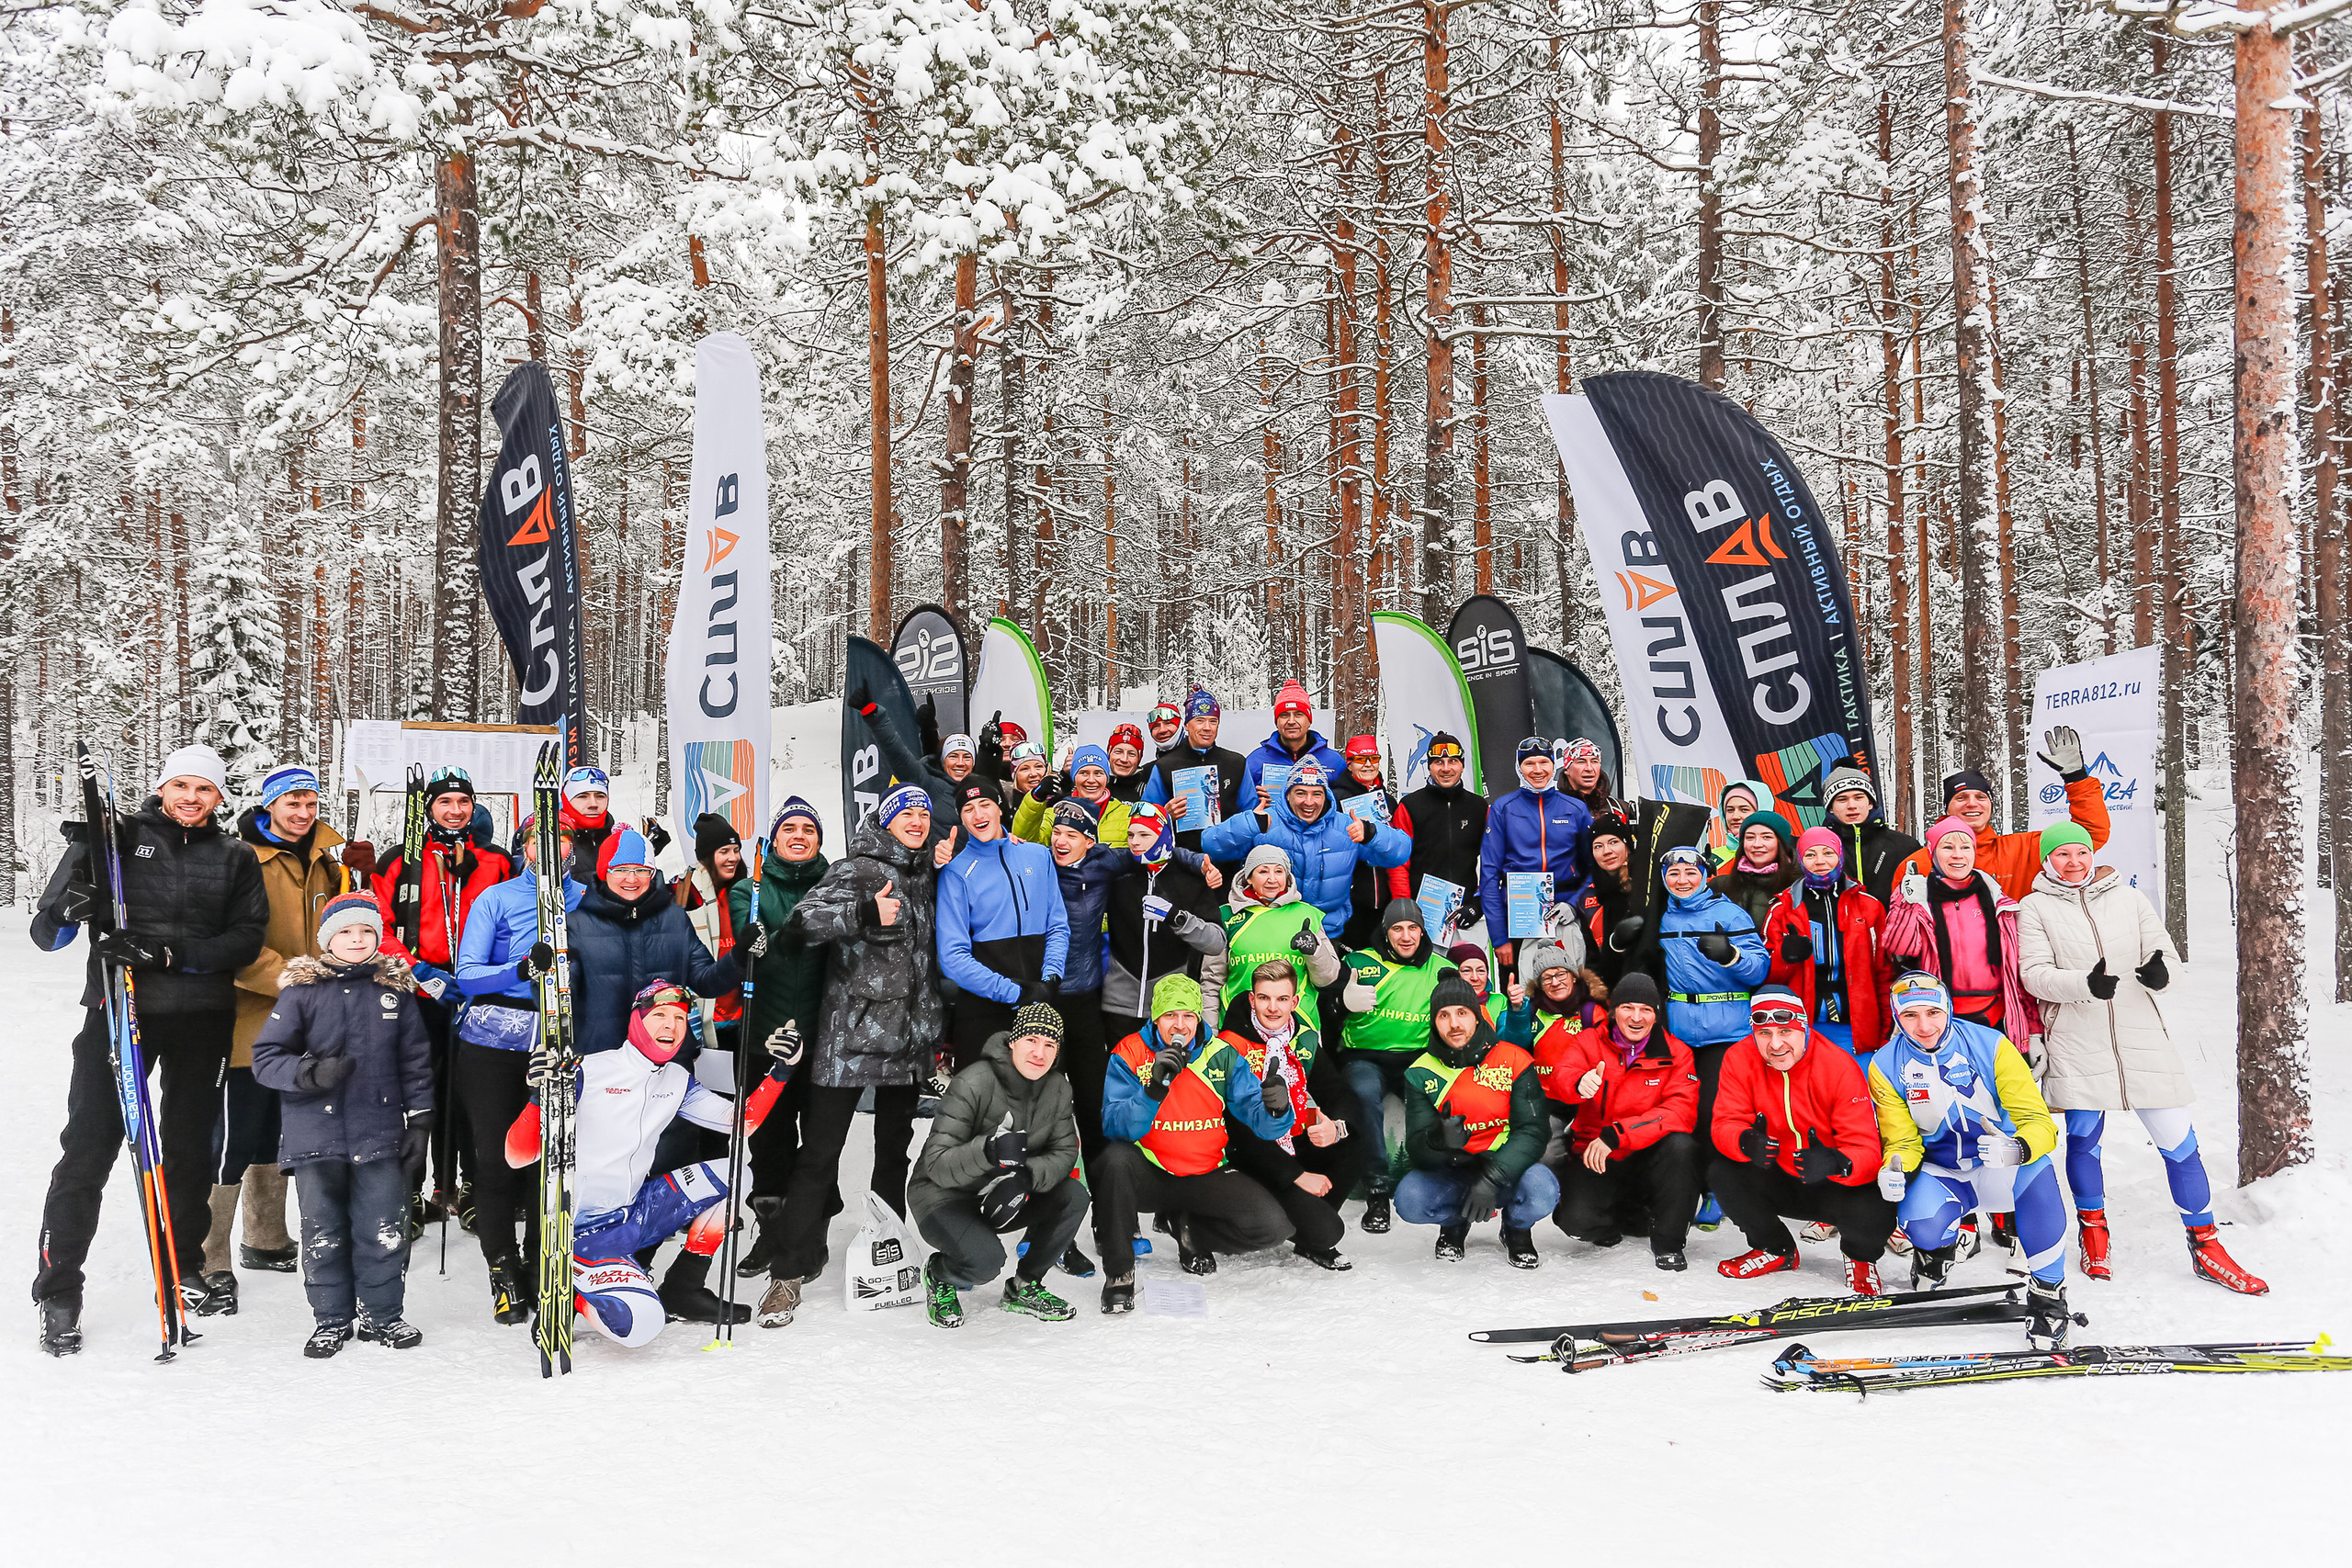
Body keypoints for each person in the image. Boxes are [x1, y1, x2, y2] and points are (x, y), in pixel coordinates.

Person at [32, 742, 269, 1351]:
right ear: (162, 786)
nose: (192, 798)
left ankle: (181, 1264)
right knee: (89, 1147)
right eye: (182, 785)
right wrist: (73, 903)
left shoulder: (235, 856)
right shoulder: (113, 836)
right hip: (118, 1012)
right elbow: (46, 932)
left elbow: (245, 939)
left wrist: (169, 954)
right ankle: (59, 1289)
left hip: (200, 1019)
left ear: (220, 797)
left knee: (188, 1151)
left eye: (206, 789)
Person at [2016, 823, 2265, 1293]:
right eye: (2062, 855)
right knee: (2084, 1141)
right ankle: (2094, 1230)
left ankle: (2206, 1245)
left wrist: (2159, 974)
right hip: (2076, 1039)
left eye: (2080, 852)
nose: (2074, 862)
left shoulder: (2129, 898)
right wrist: (2082, 986)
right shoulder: (2035, 907)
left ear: (2092, 854)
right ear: (2047, 861)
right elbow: (2034, 975)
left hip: (2141, 1035)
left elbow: (2165, 958)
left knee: (2180, 1144)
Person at [505, 983, 797, 1348]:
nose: (671, 1027)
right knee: (640, 1327)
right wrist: (536, 1099)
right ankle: (571, 1297)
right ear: (636, 1021)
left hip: (637, 1212)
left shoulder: (675, 1079)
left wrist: (781, 1072)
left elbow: (743, 1123)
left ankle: (683, 1287)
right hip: (583, 1232)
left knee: (737, 1173)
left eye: (679, 1017)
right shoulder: (586, 1071)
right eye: (659, 1015)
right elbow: (517, 1156)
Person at [759, 784, 945, 1328]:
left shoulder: (926, 874)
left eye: (922, 813)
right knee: (820, 1156)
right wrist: (866, 911)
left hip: (908, 1044)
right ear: (886, 821)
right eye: (905, 812)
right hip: (850, 1043)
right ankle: (787, 1273)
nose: (916, 819)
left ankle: (884, 1256)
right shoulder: (856, 869)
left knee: (893, 1155)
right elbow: (801, 923)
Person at [249, 893, 433, 1356]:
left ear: (378, 936)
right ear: (328, 939)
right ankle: (331, 1319)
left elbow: (416, 1062)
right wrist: (310, 1074)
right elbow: (266, 1058)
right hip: (316, 1135)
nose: (357, 939)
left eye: (367, 931)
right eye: (346, 932)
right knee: (323, 1230)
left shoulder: (395, 991)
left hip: (381, 1132)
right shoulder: (301, 992)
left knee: (385, 1229)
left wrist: (421, 1121)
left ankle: (382, 1316)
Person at [1869, 974, 2075, 1346]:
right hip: (1944, 1169)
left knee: (2040, 1184)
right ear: (1897, 1017)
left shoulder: (1991, 1045)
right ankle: (1937, 1253)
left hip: (2002, 1164)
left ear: (1947, 1007)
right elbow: (1901, 1139)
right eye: (1911, 1015)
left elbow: (2039, 1123)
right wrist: (1894, 1166)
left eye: (1933, 1011)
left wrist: (2019, 1148)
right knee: (1922, 1224)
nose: (1924, 1025)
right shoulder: (1885, 1064)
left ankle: (2048, 1295)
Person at [212, 763, 351, 1307]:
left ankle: (266, 1239)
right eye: (292, 803)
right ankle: (207, 1256)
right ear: (269, 804)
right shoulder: (240, 858)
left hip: (309, 1021)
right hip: (249, 1018)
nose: (303, 814)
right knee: (233, 1136)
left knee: (279, 1128)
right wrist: (294, 976)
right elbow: (232, 943)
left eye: (311, 803)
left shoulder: (325, 862)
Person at [450, 812, 585, 1324]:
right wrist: (518, 969)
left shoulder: (585, 897)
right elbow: (468, 975)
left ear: (573, 846)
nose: (549, 848)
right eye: (537, 840)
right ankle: (502, 1270)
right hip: (493, 1040)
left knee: (547, 1160)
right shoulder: (497, 898)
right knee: (496, 1159)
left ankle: (540, 1264)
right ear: (522, 846)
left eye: (561, 839)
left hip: (557, 1038)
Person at [1094, 975, 1298, 1312]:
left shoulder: (1221, 1054)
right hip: (1152, 1174)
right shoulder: (1129, 1052)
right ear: (1155, 1018)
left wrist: (1278, 1109)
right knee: (1113, 1160)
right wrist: (1152, 1091)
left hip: (1206, 1174)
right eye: (1170, 1016)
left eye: (1188, 1015)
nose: (1180, 1025)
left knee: (1273, 1228)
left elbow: (1260, 1121)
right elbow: (1115, 1127)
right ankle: (1119, 1272)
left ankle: (1189, 1230)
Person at [372, 765, 514, 1223]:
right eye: (445, 802)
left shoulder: (496, 861)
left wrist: (493, 977)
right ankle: (410, 1192)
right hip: (420, 991)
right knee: (419, 1091)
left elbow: (515, 922)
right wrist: (417, 971)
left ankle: (468, 1186)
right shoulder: (400, 859)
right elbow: (378, 927)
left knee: (475, 1093)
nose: (455, 811)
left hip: (479, 994)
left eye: (464, 802)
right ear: (429, 807)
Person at [908, 1004, 1089, 1327]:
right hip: (943, 1196)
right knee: (986, 1263)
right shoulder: (974, 1082)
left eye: (1049, 1045)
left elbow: (1065, 1151)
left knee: (1074, 1195)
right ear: (1012, 1042)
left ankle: (1024, 1286)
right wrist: (988, 1151)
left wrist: (1027, 1176)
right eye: (1031, 1040)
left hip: (1004, 1194)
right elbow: (936, 1164)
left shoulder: (1058, 1087)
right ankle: (940, 1274)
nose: (1039, 1052)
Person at [1709, 985, 1897, 1294]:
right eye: (1764, 1034)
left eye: (1785, 1031)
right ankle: (1774, 1248)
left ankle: (1861, 1258)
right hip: (1778, 1171)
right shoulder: (1738, 1058)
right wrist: (1744, 1141)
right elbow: (1725, 1123)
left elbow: (1867, 1148)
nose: (1776, 1044)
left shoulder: (1837, 1064)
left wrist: (1837, 1161)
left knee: (1876, 1201)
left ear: (1804, 1027)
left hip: (1833, 1183)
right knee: (1722, 1170)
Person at [725, 797, 832, 1280]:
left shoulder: (834, 885)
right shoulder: (750, 886)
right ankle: (770, 1233)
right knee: (767, 1140)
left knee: (818, 1143)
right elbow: (753, 933)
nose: (800, 835)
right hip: (761, 1038)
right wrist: (755, 938)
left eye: (809, 828)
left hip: (823, 1038)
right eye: (790, 827)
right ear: (774, 839)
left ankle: (810, 1236)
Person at [1218, 959, 1370, 1270]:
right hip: (1253, 1157)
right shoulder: (1230, 1046)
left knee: (1356, 1141)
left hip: (1294, 1141)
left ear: (1295, 1001)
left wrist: (1336, 1128)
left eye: (1282, 999)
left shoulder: (1302, 1038)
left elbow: (1338, 1092)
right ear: (1252, 999)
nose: (1273, 1008)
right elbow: (1238, 1129)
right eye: (1264, 998)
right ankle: (1306, 1224)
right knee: (1329, 1231)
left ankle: (1310, 1229)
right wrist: (1297, 1176)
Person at [1544, 972, 1702, 1270]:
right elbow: (1562, 1074)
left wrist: (1618, 1134)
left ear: (1656, 1015)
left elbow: (1680, 1112)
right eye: (1628, 1007)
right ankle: (1614, 1221)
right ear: (1614, 1010)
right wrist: (1579, 1083)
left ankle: (1668, 1241)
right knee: (1577, 1223)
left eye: (1646, 1009)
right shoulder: (1589, 1041)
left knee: (1683, 1147)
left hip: (1647, 1155)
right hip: (1596, 1156)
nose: (1637, 1017)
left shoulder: (1677, 1053)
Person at [1396, 975, 1555, 1267]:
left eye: (1462, 1013)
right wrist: (1437, 1140)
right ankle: (1455, 1224)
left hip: (1505, 1167)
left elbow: (1534, 1131)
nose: (1454, 1024)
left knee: (1543, 1191)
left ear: (1477, 1016)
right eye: (1443, 1015)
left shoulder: (1514, 1059)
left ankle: (1516, 1230)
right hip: (1454, 1170)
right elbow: (1417, 1149)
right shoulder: (1419, 1072)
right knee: (1410, 1198)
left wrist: (1492, 1178)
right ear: (1434, 1022)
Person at [565, 825, 749, 1058]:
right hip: (605, 1059)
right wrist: (543, 969)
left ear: (652, 874)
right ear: (604, 872)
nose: (631, 879)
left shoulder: (674, 919)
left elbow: (706, 982)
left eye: (641, 870)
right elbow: (561, 997)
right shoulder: (577, 925)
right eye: (620, 869)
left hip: (668, 1059)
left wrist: (737, 958)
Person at [1337, 899, 1456, 1230]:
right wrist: (1340, 1001)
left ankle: (1446, 1180)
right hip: (1365, 1054)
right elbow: (1327, 1004)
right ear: (1386, 933)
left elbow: (1460, 1018)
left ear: (1422, 931)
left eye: (1413, 928)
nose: (1406, 936)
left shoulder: (1442, 968)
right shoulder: (1361, 961)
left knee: (1440, 1100)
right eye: (1397, 929)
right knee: (1362, 1095)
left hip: (1417, 1056)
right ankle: (1376, 1192)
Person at [1201, 759, 1409, 940]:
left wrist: (1372, 834)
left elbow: (1400, 853)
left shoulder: (1346, 827)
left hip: (1328, 933)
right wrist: (1250, 824)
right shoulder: (1266, 823)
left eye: (1316, 794)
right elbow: (1211, 844)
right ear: (1287, 795)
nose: (1309, 802)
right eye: (1300, 793)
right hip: (1272, 930)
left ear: (1326, 797)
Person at [939, 780, 1069, 1068]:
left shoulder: (1037, 855)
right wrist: (1014, 992)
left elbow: (1057, 925)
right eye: (968, 809)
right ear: (961, 819)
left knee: (1042, 1103)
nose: (978, 815)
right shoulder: (956, 872)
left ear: (1000, 808)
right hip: (984, 1011)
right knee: (980, 1106)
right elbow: (952, 957)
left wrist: (1050, 979)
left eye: (985, 804)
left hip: (1041, 1002)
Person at [1897, 729, 2110, 899]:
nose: (1972, 803)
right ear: (1947, 808)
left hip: (2016, 953)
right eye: (1961, 798)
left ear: (1990, 806)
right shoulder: (1919, 863)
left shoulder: (2022, 850)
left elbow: (2089, 836)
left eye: (1981, 797)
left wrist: (2076, 778)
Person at [1882, 817, 2041, 1041]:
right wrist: (1907, 903)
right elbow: (1899, 949)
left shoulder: (1998, 902)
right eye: (1948, 847)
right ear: (1932, 853)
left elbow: (2016, 974)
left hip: (1997, 1016)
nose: (1958, 854)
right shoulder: (1921, 897)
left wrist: (2033, 1032)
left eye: (1965, 847)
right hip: (1940, 1017)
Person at [1099, 803, 1227, 1081]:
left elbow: (1216, 942)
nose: (1135, 842)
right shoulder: (1119, 874)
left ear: (1163, 835)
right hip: (1119, 1004)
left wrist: (1176, 917)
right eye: (1131, 835)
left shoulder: (1191, 879)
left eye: (1144, 835)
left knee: (1169, 1084)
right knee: (1123, 1082)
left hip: (1170, 1009)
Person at [1653, 844, 1771, 1132]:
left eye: (1691, 872)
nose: (1682, 880)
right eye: (1674, 873)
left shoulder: (1729, 914)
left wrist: (1732, 955)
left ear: (1705, 875)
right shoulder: (1662, 917)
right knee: (1682, 1113)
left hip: (1727, 1032)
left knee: (1714, 1111)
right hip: (1678, 1035)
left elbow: (1760, 970)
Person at [1763, 825, 1891, 1062]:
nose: (1820, 861)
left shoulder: (1869, 906)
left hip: (1858, 1029)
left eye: (1828, 853)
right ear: (1800, 860)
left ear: (1840, 856)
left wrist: (1885, 1030)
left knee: (1858, 1095)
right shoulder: (1783, 908)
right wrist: (1785, 957)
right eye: (1810, 854)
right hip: (1805, 1026)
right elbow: (1767, 979)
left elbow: (1882, 972)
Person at [1477, 737, 1594, 980]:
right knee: (1521, 995)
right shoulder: (1504, 808)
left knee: (1568, 989)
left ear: (1554, 766)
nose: (1538, 770)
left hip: (1564, 914)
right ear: (1519, 767)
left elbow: (1594, 869)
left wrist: (1575, 904)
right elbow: (1489, 874)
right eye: (1530, 763)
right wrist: (1500, 938)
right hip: (1518, 916)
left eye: (1544, 762)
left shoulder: (1575, 808)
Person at [1216, 845, 1343, 1023]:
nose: (1272, 879)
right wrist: (1210, 1031)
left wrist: (1315, 951)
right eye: (1263, 871)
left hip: (1299, 1023)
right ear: (1249, 878)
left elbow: (1327, 978)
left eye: (1279, 871)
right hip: (1239, 1023)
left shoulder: (1307, 914)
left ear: (1287, 877)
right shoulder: (1226, 915)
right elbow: (1212, 981)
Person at [1390, 730, 1487, 932]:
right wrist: (1405, 908)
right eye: (1438, 762)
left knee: (1470, 965)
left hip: (1466, 912)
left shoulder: (1479, 807)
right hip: (1422, 914)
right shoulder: (1410, 805)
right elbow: (1398, 862)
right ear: (1429, 766)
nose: (1446, 769)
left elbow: (1493, 862)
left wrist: (1478, 904)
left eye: (1452, 761)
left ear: (1462, 766)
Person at [1141, 688, 1250, 862]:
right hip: (1182, 863)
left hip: (1229, 862)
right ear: (1186, 726)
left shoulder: (1236, 762)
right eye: (1199, 721)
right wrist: (1165, 814)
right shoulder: (1165, 765)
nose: (1207, 728)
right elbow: (1143, 820)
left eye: (1213, 721)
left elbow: (1250, 812)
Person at [673, 812, 752, 1050]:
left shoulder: (745, 893)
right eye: (724, 852)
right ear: (708, 856)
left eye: (736, 850)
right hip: (705, 1015)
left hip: (742, 1013)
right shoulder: (687, 895)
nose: (733, 858)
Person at [1331, 733, 1403, 948]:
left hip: (1382, 898)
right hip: (1350, 898)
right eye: (1361, 760)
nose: (1368, 765)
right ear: (1349, 763)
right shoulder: (1336, 797)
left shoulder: (1388, 801)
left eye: (1374, 758)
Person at [1238, 679, 1349, 807]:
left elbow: (1346, 801)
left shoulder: (1334, 761)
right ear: (1276, 722)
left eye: (1298, 714)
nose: (1291, 721)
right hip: (1271, 824)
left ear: (1309, 720)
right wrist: (1253, 800)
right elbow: (1239, 804)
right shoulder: (1255, 760)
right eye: (1284, 715)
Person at [1821, 763, 1919, 907]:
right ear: (1830, 808)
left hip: (1893, 928)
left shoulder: (1905, 846)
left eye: (1858, 797)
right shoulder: (1818, 850)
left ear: (1870, 803)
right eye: (1842, 799)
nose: (1851, 805)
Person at [1521, 947, 1609, 1099]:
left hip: (1585, 1098)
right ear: (1540, 985)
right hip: (1544, 1099)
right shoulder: (1532, 1011)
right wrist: (1516, 1012)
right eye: (1547, 978)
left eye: (1561, 974)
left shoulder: (1592, 1013)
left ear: (1573, 977)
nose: (1555, 982)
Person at [1576, 810, 1646, 989]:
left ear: (1627, 846)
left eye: (1614, 842)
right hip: (1609, 989)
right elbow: (1590, 954)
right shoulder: (1587, 897)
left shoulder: (1646, 885)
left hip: (1647, 983)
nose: (1606, 851)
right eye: (1598, 846)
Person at [1013, 743, 1134, 848]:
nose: (1091, 780)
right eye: (1083, 773)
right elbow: (1026, 842)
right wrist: (1036, 797)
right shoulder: (1057, 811)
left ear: (1107, 778)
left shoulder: (1128, 814)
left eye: (1098, 773)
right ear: (1074, 778)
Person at [1707, 807, 1797, 932]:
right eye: (1750, 837)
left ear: (1781, 843)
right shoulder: (1720, 886)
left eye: (1766, 837)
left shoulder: (1797, 887)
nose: (1757, 844)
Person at [1450, 942, 1529, 1039]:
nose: (1475, 978)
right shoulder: (1444, 1004)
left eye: (1481, 971)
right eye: (1466, 971)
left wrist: (1517, 1010)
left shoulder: (1499, 1001)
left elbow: (1511, 1040)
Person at [558, 766, 617, 883]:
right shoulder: (545, 837)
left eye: (600, 796)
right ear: (566, 800)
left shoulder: (618, 837)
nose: (593, 804)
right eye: (582, 796)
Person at [1557, 737, 1633, 824]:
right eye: (1581, 762)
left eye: (1594, 761)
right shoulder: (1553, 807)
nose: (1589, 768)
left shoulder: (1621, 809)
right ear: (1567, 769)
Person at [1708, 779, 1774, 868]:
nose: (1735, 816)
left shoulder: (1780, 860)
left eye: (1744, 810)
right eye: (1730, 810)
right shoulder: (1708, 859)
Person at [1104, 722, 1152, 803]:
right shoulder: (1097, 783)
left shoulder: (1147, 788)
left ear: (1139, 759)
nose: (1124, 759)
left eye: (1131, 754)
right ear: (1109, 754)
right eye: (1118, 752)